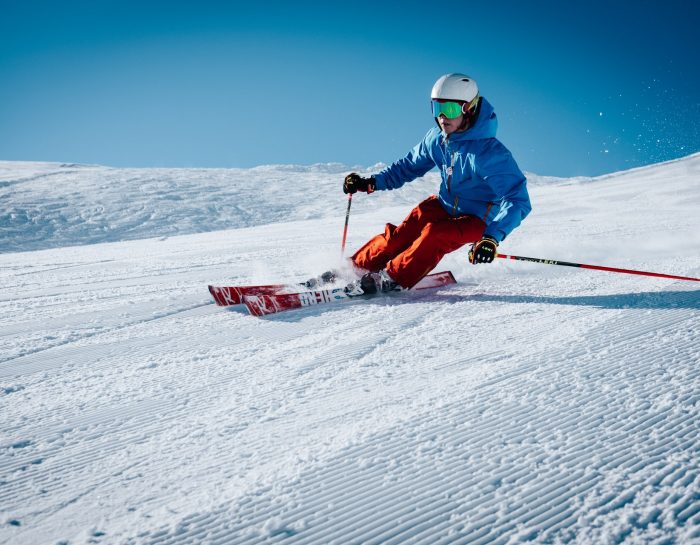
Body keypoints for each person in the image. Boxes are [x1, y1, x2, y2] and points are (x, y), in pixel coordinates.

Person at [342, 73, 532, 294]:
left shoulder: (489, 154)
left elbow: (517, 200)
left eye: (450, 109)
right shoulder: (437, 139)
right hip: (444, 204)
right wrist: (370, 182)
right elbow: (407, 167)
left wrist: (491, 237)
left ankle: (391, 278)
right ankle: (353, 268)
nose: (442, 117)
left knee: (436, 234)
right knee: (401, 235)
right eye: (436, 108)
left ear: (468, 108)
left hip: (478, 219)